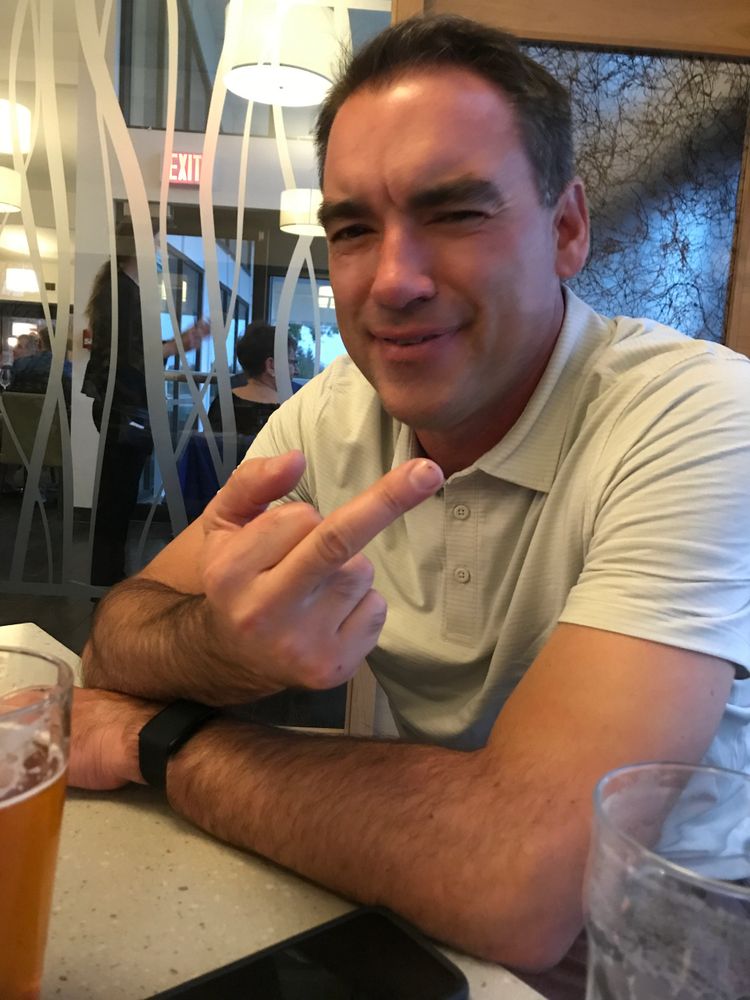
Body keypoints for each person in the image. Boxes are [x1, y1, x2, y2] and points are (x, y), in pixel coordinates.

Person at [69, 14, 750, 990]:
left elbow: (520, 878)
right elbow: (116, 643)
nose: (392, 281)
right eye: (353, 229)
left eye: (457, 212)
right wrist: (223, 644)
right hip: (413, 901)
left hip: (665, 948)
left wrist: (160, 741)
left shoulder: (700, 417)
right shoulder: (330, 414)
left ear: (566, 229)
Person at [82, 221, 208, 586]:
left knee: (117, 497)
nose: (159, 251)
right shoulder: (123, 292)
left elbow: (137, 351)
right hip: (123, 408)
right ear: (136, 246)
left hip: (121, 406)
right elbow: (135, 357)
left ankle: (107, 579)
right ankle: (106, 581)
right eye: (155, 243)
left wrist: (180, 342)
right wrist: (182, 343)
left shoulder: (122, 289)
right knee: (117, 499)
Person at [206, 321, 298, 442]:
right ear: (271, 366)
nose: (296, 371)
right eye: (292, 362)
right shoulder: (290, 410)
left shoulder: (222, 403)